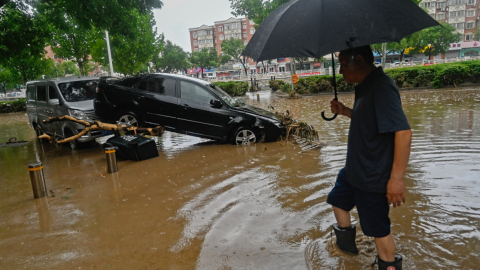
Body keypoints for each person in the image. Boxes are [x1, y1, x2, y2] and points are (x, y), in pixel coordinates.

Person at [326, 46, 412, 270]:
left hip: (372, 175)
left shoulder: (382, 87)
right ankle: (347, 254)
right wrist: (345, 111)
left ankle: (388, 265)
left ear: (360, 60)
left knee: (377, 230)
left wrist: (396, 179)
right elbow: (370, 119)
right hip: (354, 169)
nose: (341, 71)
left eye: (344, 65)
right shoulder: (364, 86)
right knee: (337, 200)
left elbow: (403, 132)